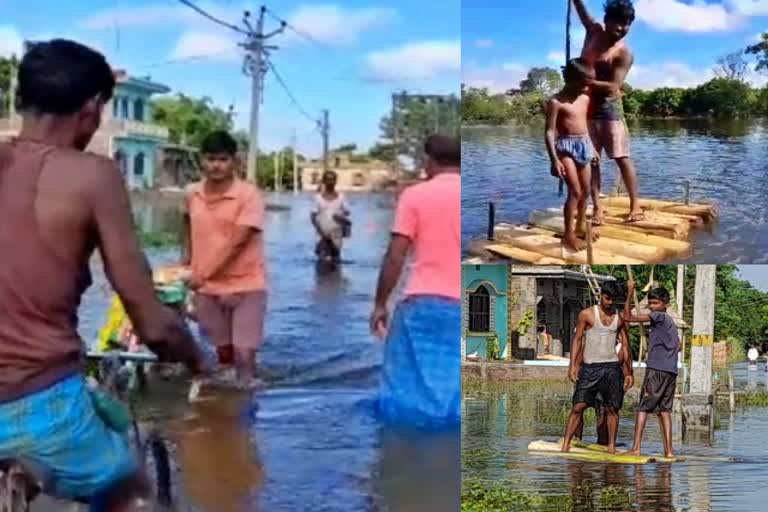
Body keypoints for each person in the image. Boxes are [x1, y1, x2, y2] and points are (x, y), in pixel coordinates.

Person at [0, 39, 205, 511]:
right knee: (130, 490)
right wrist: (197, 362)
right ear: (92, 108)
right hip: (38, 399)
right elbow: (152, 323)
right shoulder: (94, 175)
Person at [370, 134, 460, 428]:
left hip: (423, 302)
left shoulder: (415, 195)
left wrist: (380, 304)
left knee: (403, 390)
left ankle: (405, 460)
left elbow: (396, 256)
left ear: (428, 161)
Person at [182, 130, 267, 389]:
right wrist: (185, 264)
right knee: (224, 358)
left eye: (222, 159)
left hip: (246, 286)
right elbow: (187, 229)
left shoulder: (249, 195)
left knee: (244, 359)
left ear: (234, 161)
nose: (216, 165)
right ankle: (222, 418)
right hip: (207, 289)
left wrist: (202, 273)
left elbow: (237, 242)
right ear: (201, 161)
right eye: (210, 159)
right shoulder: (192, 194)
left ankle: (245, 422)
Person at [573, 0, 643, 223]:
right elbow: (582, 10)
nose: (621, 28)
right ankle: (598, 208)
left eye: (626, 24)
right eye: (618, 22)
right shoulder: (593, 31)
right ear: (607, 21)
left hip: (609, 111)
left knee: (621, 158)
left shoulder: (624, 53)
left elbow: (613, 87)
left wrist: (581, 81)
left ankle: (636, 206)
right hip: (584, 109)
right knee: (591, 161)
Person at [562, 281, 633, 453]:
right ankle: (566, 444)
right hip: (590, 368)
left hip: (611, 369)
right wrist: (572, 366)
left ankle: (611, 447)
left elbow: (625, 345)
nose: (609, 302)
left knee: (612, 408)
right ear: (601, 295)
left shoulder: (619, 317)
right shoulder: (587, 314)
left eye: (613, 300)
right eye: (607, 298)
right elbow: (577, 340)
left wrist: (629, 372)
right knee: (578, 406)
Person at [545, 58, 598, 252]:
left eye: (589, 82)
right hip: (565, 148)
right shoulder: (556, 102)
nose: (587, 86)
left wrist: (591, 147)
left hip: (583, 144)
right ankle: (568, 236)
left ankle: (580, 226)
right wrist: (554, 160)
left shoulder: (585, 98)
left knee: (586, 191)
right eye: (584, 82)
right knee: (574, 192)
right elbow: (550, 131)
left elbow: (585, 126)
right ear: (571, 80)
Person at [622, 281, 680, 458]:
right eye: (651, 303)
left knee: (643, 408)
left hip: (657, 370)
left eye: (656, 304)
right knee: (664, 410)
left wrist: (630, 293)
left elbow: (627, 318)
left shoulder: (660, 317)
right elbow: (679, 345)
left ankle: (636, 448)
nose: (652, 307)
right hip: (670, 371)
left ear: (665, 305)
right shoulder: (670, 322)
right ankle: (669, 452)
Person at [310, 170, 351, 264]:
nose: (330, 182)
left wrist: (341, 216)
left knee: (336, 259)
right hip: (321, 234)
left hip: (336, 234)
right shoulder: (318, 198)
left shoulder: (341, 197)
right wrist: (321, 232)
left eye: (332, 179)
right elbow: (312, 217)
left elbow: (347, 212)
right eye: (328, 179)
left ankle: (335, 278)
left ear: (336, 181)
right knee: (323, 261)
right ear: (324, 181)